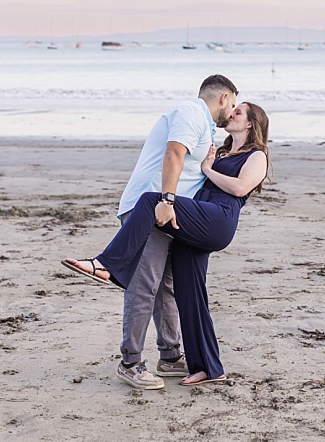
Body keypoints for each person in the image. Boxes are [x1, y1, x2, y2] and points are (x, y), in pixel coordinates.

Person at [66, 101, 269, 386]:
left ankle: (106, 263)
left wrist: (207, 169)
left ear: (250, 123)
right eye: (232, 107)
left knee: (152, 199)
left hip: (218, 220)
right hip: (196, 222)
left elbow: (239, 188)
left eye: (239, 111)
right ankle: (207, 368)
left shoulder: (257, 156)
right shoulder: (221, 151)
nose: (232, 113)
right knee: (190, 292)